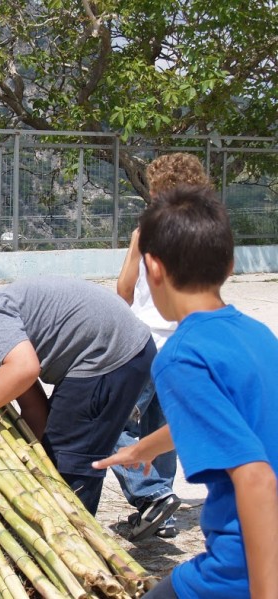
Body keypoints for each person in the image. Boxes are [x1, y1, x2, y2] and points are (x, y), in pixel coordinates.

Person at [94, 185, 278, 599]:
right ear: (230, 265)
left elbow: (257, 479)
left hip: (246, 565)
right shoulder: (257, 334)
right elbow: (223, 419)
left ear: (152, 268)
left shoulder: (180, 356)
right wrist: (144, 449)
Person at [0, 276, 156, 515]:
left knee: (70, 457)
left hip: (111, 354)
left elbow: (25, 368)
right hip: (116, 351)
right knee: (56, 448)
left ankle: (73, 542)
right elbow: (35, 409)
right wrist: (30, 458)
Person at [112, 153, 212, 541]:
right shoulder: (208, 234)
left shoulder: (147, 231)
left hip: (143, 342)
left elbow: (123, 288)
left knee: (111, 424)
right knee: (162, 429)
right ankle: (164, 513)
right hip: (184, 345)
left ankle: (152, 494)